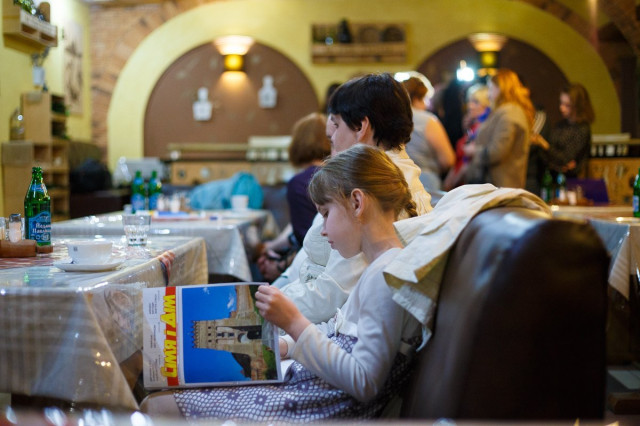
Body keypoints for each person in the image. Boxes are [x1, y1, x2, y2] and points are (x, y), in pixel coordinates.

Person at [140, 144, 422, 422]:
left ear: (357, 203)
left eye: (326, 214)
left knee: (156, 404)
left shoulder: (385, 274)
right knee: (164, 392)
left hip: (316, 404)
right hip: (310, 388)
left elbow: (364, 382)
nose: (323, 230)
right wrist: (286, 345)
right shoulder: (380, 267)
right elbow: (339, 331)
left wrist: (294, 322)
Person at [273, 72, 433, 324]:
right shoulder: (374, 176)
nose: (332, 140)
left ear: (361, 127)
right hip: (306, 304)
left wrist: (262, 308)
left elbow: (334, 293)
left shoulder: (373, 187)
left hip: (329, 322)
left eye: (337, 126)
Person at [256, 112, 331, 281]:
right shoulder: (338, 175)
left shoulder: (299, 183)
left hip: (313, 271)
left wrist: (280, 266)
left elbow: (307, 242)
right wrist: (271, 247)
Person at [463, 69, 535, 188]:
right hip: (497, 185)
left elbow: (498, 151)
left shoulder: (509, 113)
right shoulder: (504, 111)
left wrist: (474, 151)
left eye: (491, 88)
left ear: (501, 88)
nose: (488, 94)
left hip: (502, 185)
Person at [401, 75, 454, 191]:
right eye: (426, 99)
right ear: (418, 98)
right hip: (425, 181)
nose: (427, 105)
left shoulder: (391, 119)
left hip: (398, 180)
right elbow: (447, 159)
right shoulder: (428, 120)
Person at [537, 83, 595, 178]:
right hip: (554, 176)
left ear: (577, 106)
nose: (561, 108)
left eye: (567, 105)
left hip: (573, 180)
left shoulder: (582, 129)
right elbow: (548, 157)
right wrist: (557, 165)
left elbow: (566, 158)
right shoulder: (560, 125)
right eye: (561, 103)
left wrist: (545, 145)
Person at [442, 83, 491, 190]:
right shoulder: (473, 127)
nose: (470, 106)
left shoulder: (483, 129)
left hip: (465, 186)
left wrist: (450, 184)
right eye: (469, 101)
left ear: (486, 105)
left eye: (476, 102)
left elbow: (467, 163)